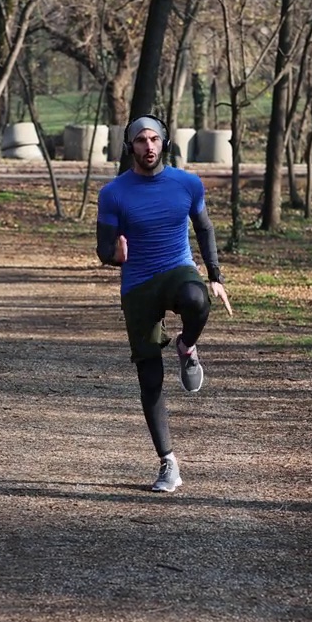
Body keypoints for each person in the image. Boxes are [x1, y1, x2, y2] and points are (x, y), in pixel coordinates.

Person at [95, 114, 233, 493]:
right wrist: (114, 255)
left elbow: (203, 227)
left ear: (165, 143)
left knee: (196, 297)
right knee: (150, 378)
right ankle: (168, 463)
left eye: (154, 139)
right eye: (140, 140)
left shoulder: (186, 183)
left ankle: (187, 345)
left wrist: (215, 274)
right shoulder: (113, 193)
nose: (148, 146)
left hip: (177, 268)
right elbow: (103, 248)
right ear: (130, 147)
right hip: (138, 284)